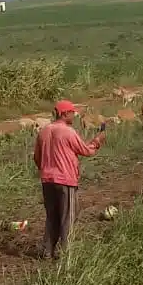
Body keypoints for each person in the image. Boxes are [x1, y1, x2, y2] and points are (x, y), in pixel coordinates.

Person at [32, 100, 106, 259]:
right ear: (64, 114)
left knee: (52, 216)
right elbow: (86, 151)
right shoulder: (68, 132)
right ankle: (67, 254)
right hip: (65, 180)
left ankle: (46, 251)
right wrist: (97, 142)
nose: (74, 115)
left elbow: (37, 158)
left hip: (47, 180)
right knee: (68, 217)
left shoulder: (44, 131)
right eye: (72, 112)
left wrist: (46, 170)